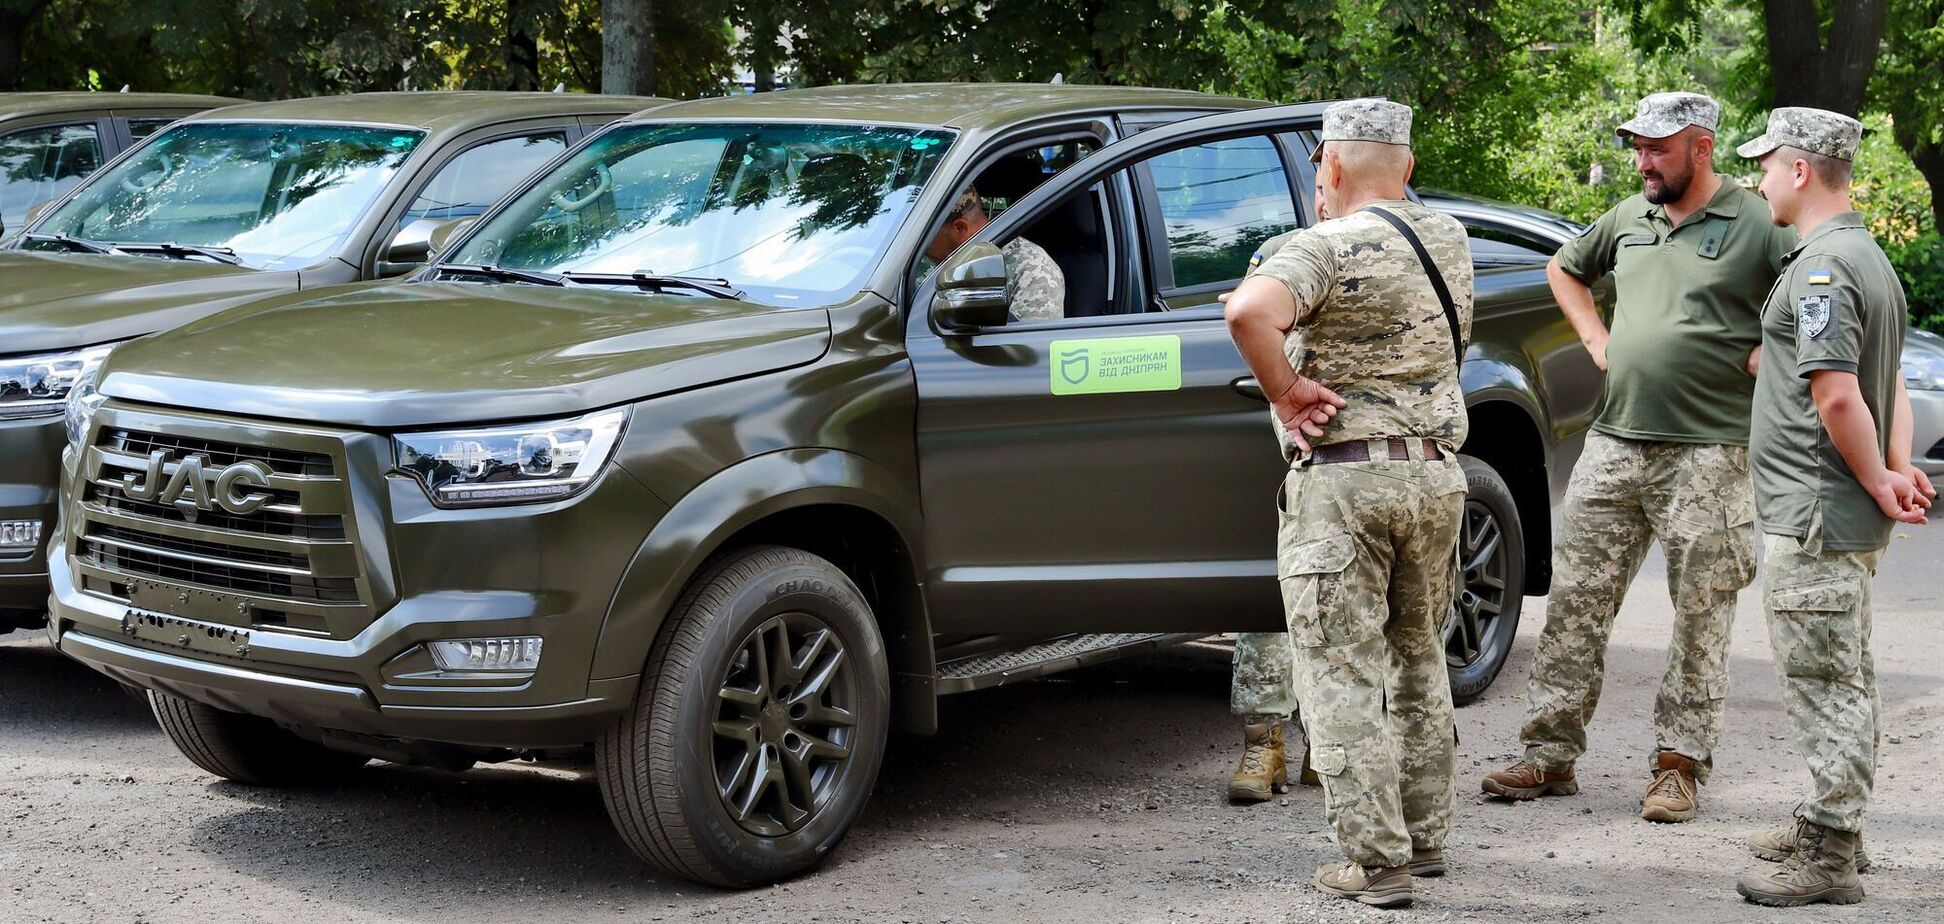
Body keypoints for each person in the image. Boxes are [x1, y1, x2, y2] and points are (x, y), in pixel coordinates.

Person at [1480, 92, 1794, 823]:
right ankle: (1550, 754)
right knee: (1576, 602)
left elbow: (1817, 293)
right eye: (1637, 147)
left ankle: (1678, 764)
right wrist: (1596, 340)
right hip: (1616, 441)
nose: (1643, 161)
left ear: (1702, 147)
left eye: (1658, 148)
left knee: (1700, 614)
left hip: (1713, 450)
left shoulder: (1757, 221)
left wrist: (1772, 349)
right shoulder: (1629, 217)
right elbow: (1566, 270)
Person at [1224, 97, 1472, 908]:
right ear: (1405, 166)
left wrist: (1289, 390)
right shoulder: (1450, 237)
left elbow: (1247, 312)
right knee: (1418, 659)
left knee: (1338, 670)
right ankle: (1427, 840)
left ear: (1328, 165)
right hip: (1435, 477)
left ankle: (1376, 860)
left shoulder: (1315, 247)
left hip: (1347, 484)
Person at [1732, 106, 1934, 907]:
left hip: (1814, 510)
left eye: (1767, 164)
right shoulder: (1864, 256)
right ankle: (1830, 815)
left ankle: (1830, 851)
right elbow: (1891, 386)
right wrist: (1895, 466)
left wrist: (1883, 478)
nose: (1759, 179)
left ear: (1801, 170)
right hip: (1831, 507)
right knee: (1842, 669)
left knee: (1826, 680)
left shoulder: (1823, 268)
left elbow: (1840, 393)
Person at [1227, 192, 1327, 804]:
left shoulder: (1400, 250)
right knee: (1272, 596)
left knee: (1348, 614)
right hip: (1298, 459)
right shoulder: (1282, 256)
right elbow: (1246, 319)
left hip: (1373, 462)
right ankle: (1264, 741)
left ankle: (1327, 742)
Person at [925, 187, 1065, 321]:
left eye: (925, 236)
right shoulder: (934, 260)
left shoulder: (1032, 267)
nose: (922, 245)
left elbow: (1032, 342)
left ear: (960, 228)